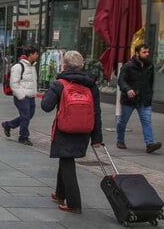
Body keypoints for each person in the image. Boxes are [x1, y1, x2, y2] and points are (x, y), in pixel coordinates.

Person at [41, 50, 103, 214]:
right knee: (65, 158)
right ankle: (60, 194)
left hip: (65, 128)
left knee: (67, 161)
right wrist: (97, 138)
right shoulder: (91, 85)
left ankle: (74, 203)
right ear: (82, 66)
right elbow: (96, 112)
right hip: (84, 130)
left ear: (64, 66)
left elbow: (46, 106)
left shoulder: (60, 83)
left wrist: (52, 90)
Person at [117, 44, 162, 153]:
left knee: (147, 121)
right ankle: (120, 140)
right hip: (129, 99)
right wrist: (127, 89)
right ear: (137, 53)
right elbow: (121, 80)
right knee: (123, 121)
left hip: (144, 99)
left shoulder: (150, 66)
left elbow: (150, 83)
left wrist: (149, 95)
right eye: (144, 52)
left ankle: (150, 144)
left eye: (148, 52)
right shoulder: (128, 66)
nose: (147, 54)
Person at [2, 45, 40, 146]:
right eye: (36, 54)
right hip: (22, 96)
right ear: (30, 54)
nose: (37, 56)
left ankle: (8, 125)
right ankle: (23, 136)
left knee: (28, 115)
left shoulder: (32, 66)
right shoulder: (18, 67)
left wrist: (34, 93)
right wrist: (21, 95)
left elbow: (33, 81)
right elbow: (14, 83)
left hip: (30, 96)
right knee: (26, 116)